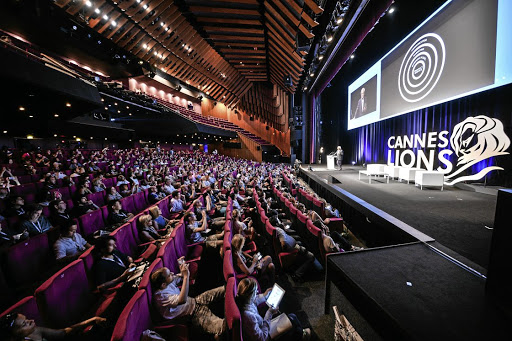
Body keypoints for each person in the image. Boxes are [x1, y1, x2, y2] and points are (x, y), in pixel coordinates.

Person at [151, 265, 226, 340]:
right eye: (169, 275)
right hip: (194, 314)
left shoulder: (168, 282)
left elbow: (181, 277)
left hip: (196, 301)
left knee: (225, 289)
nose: (172, 273)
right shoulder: (161, 296)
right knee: (224, 327)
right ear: (163, 285)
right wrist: (186, 276)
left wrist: (183, 267)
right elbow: (182, 300)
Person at [236, 277, 310, 341]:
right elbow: (262, 338)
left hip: (262, 325)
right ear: (250, 296)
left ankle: (301, 333)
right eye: (256, 292)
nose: (257, 292)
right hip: (265, 334)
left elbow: (255, 301)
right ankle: (301, 335)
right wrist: (269, 313)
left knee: (291, 317)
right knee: (292, 318)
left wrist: (265, 295)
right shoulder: (248, 316)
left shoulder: (245, 302)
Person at [0, 313, 106, 341]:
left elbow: (63, 333)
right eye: (25, 324)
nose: (31, 321)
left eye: (26, 319)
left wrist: (90, 321)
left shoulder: (33, 331)